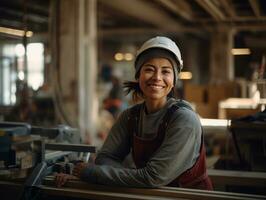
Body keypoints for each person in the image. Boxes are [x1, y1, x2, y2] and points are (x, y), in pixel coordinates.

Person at [55, 36, 213, 190]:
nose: (157, 77)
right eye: (149, 69)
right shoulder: (130, 117)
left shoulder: (184, 119)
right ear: (138, 76)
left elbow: (153, 177)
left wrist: (93, 173)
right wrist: (135, 177)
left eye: (166, 71)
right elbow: (105, 158)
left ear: (174, 81)